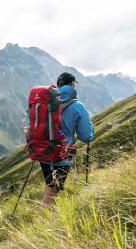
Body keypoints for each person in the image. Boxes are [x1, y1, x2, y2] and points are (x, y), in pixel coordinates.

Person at [40, 72, 94, 207]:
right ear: (72, 84)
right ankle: (40, 222)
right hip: (61, 155)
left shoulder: (47, 101)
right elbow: (85, 136)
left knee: (51, 187)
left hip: (42, 151)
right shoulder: (77, 106)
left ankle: (45, 218)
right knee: (52, 190)